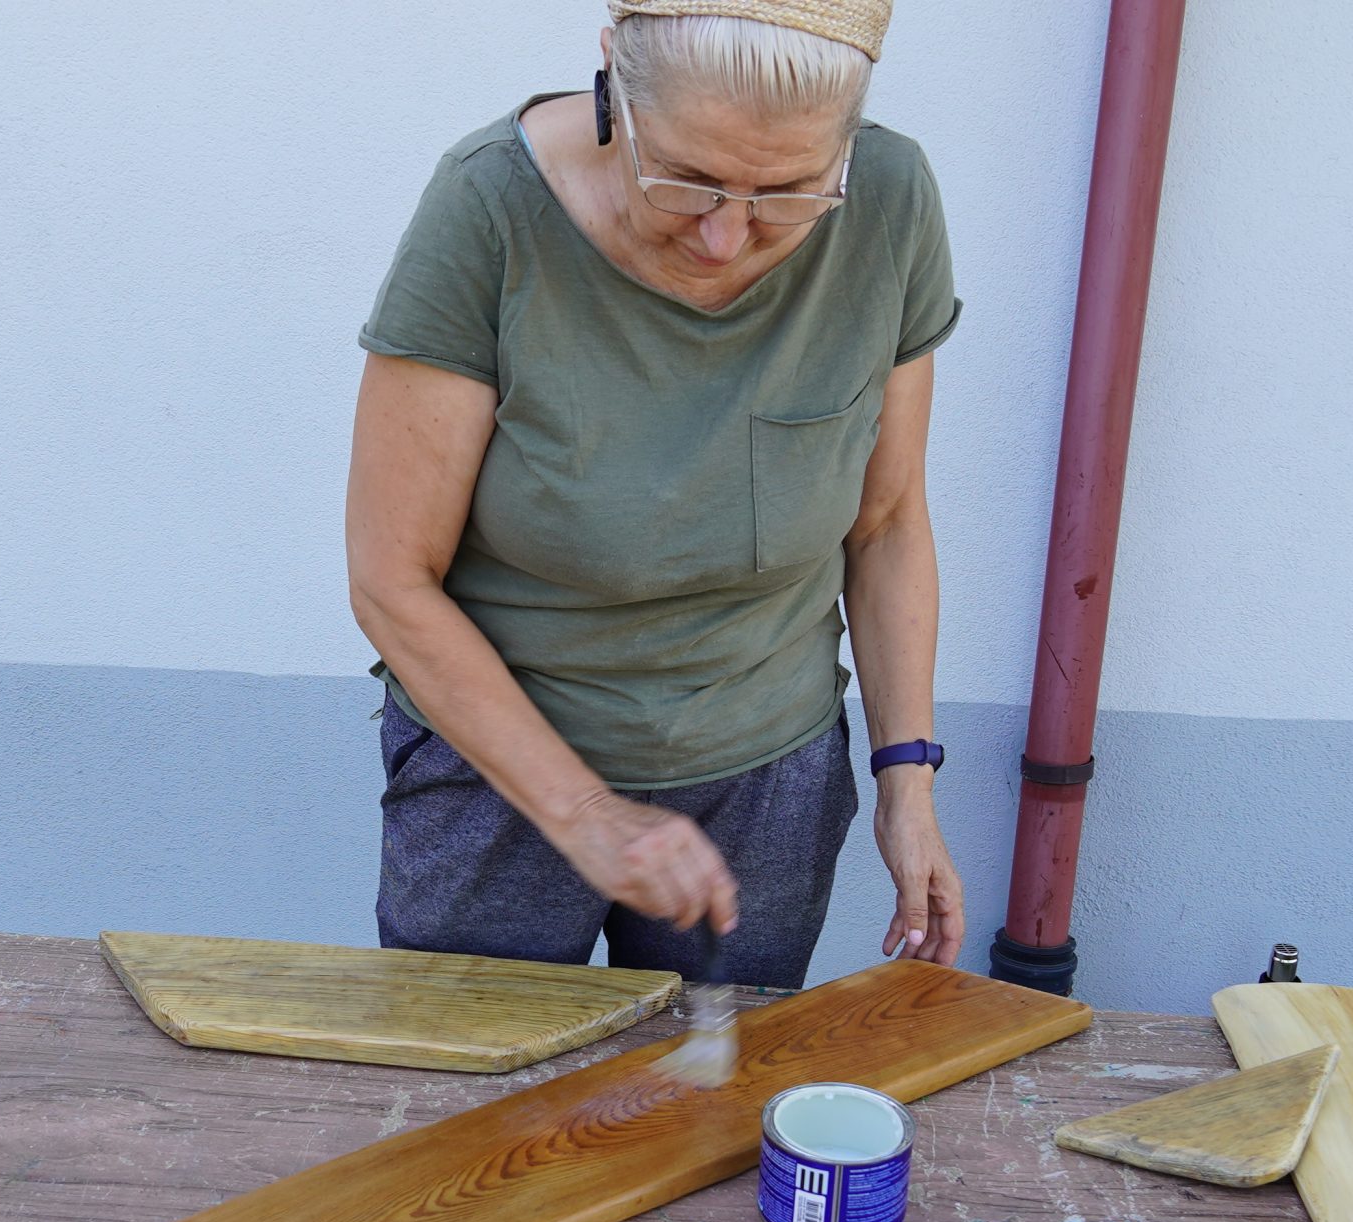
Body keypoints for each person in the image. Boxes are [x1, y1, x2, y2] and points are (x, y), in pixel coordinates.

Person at [347, 0, 962, 988]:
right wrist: (582, 813)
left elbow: (884, 525)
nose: (727, 237)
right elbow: (390, 576)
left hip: (769, 775)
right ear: (612, 92)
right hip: (499, 771)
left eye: (789, 193)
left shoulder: (889, 202)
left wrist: (907, 780)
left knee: (710, 1105)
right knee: (470, 1102)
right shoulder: (488, 208)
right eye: (687, 182)